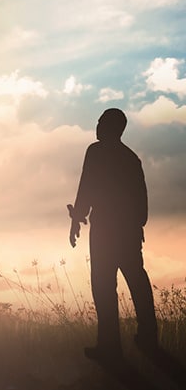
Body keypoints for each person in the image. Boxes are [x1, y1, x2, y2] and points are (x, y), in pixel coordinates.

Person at [67, 108, 157, 364]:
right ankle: (148, 339)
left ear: (110, 127)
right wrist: (137, 225)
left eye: (101, 121)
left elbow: (87, 187)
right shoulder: (132, 158)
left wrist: (77, 219)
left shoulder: (95, 152)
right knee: (137, 282)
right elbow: (142, 198)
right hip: (128, 231)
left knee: (104, 287)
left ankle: (109, 346)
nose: (96, 125)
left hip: (105, 230)